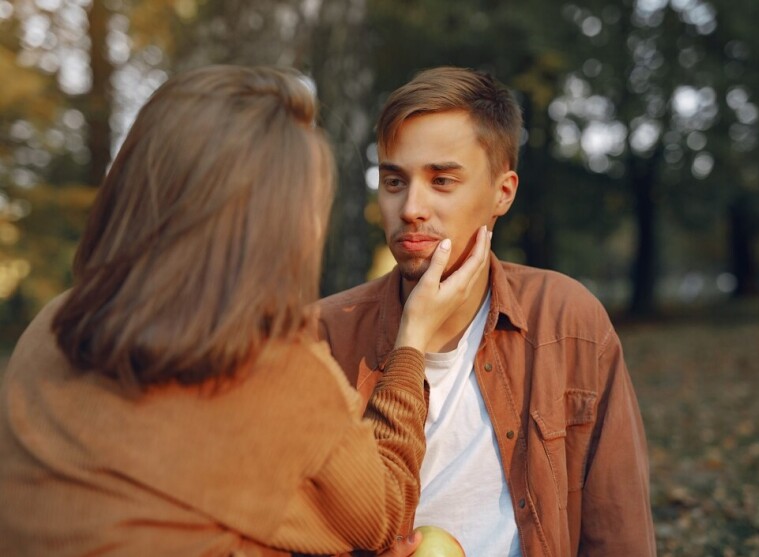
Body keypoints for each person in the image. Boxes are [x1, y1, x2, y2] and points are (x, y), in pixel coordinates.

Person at [0, 65, 490, 556]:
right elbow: (386, 518)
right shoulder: (265, 370)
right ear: (282, 225)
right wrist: (411, 345)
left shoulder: (52, 328)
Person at [318, 67, 657, 557]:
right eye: (394, 181)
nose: (411, 206)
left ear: (503, 192)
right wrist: (412, 339)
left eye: (442, 180)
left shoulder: (568, 321)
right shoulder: (324, 336)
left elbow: (618, 530)